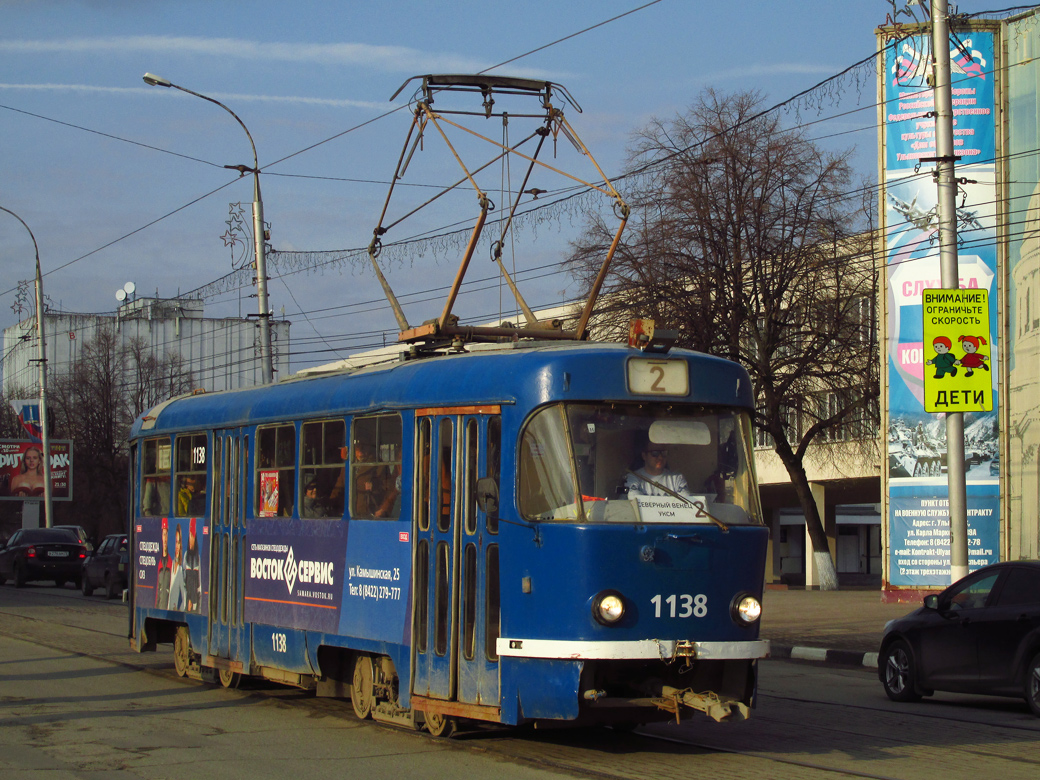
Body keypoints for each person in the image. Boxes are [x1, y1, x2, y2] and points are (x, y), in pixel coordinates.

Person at [625, 439, 692, 497]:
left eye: (663, 453)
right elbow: (635, 500)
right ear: (644, 456)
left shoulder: (677, 479)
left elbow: (687, 502)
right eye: (655, 453)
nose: (660, 457)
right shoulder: (633, 478)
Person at [183, 517, 201, 612]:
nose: (190, 539)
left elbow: (199, 586)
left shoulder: (198, 559)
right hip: (188, 600)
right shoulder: (186, 556)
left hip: (195, 603)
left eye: (192, 536)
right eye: (189, 535)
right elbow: (184, 581)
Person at [167, 524, 187, 611]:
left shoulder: (180, 569)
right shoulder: (171, 564)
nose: (177, 546)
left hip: (173, 612)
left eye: (179, 542)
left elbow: (185, 596)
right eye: (176, 542)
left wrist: (180, 610)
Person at [155, 517, 172, 609]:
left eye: (166, 534)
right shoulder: (159, 564)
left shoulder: (171, 563)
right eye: (163, 534)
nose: (165, 538)